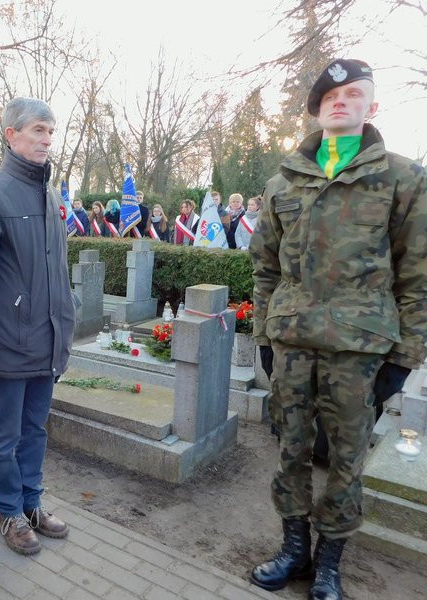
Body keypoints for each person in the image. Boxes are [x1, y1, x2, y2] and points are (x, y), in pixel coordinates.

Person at [249, 59, 427, 600]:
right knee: (290, 451)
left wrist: (404, 357)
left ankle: (329, 563)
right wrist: (263, 337)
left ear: (372, 107)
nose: (340, 100)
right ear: (318, 107)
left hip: (359, 348)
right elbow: (265, 267)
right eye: (331, 94)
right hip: (293, 342)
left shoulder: (402, 178)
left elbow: (417, 273)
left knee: (346, 461)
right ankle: (293, 550)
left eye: (354, 94)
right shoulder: (284, 180)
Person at [0, 96, 75, 556]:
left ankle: (31, 504)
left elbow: (56, 271)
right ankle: (8, 512)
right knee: (6, 436)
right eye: (37, 131)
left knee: (36, 430)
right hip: (9, 343)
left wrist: (64, 329)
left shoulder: (47, 193)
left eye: (50, 131)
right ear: (11, 135)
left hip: (46, 341)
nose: (47, 139)